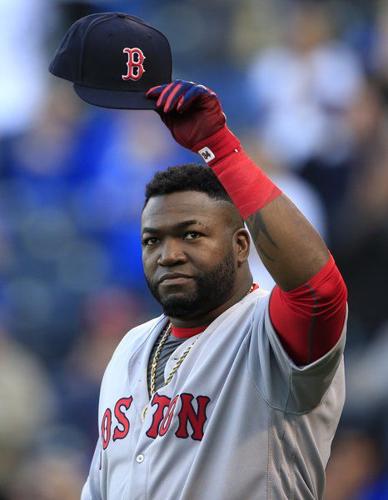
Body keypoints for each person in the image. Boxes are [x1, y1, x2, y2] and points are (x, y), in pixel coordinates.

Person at [81, 80, 348, 500]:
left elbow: (319, 289)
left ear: (241, 245)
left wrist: (219, 147)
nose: (168, 254)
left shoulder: (268, 333)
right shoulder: (128, 349)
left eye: (190, 235)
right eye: (152, 240)